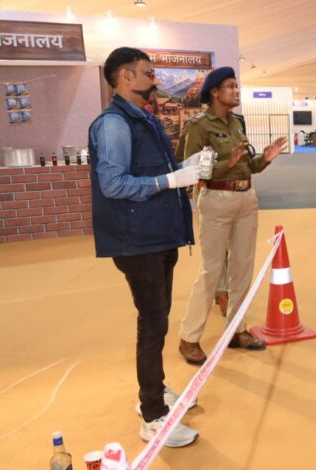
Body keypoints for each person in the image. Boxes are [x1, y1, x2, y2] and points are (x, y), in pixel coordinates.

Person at [89, 47, 201, 447]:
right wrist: (170, 181)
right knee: (152, 324)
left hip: (159, 235)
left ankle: (155, 387)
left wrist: (185, 170)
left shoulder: (144, 119)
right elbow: (113, 184)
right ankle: (153, 413)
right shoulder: (114, 124)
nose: (155, 80)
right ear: (125, 77)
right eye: (148, 73)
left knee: (158, 320)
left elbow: (154, 172)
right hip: (137, 240)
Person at [178, 67, 288, 365]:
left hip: (246, 199)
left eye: (237, 86)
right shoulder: (199, 126)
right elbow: (192, 170)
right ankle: (189, 337)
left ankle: (237, 330)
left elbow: (247, 166)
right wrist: (227, 163)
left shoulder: (238, 122)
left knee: (243, 270)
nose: (236, 91)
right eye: (230, 86)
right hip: (216, 199)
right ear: (215, 92)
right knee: (212, 271)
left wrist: (263, 159)